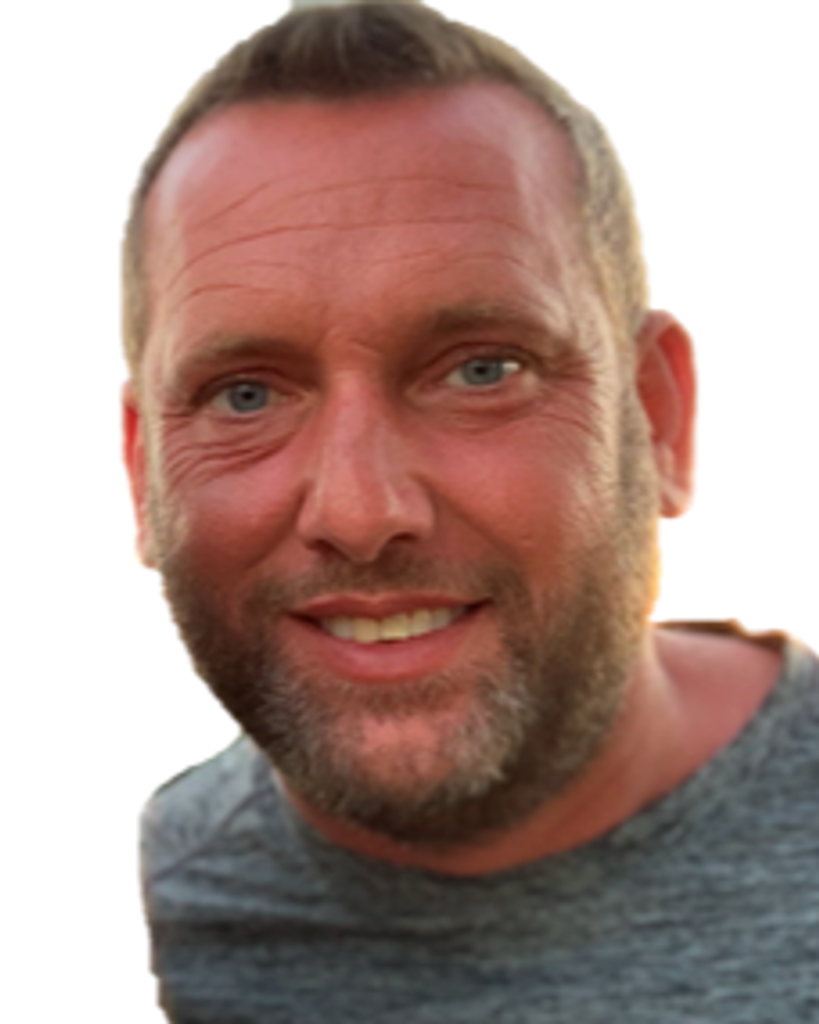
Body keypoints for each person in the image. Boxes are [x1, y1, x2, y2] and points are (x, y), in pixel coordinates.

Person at [122, 2, 819, 1020]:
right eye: (246, 394)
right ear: (143, 474)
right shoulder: (157, 894)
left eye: (481, 371)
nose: (361, 511)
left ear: (656, 419)